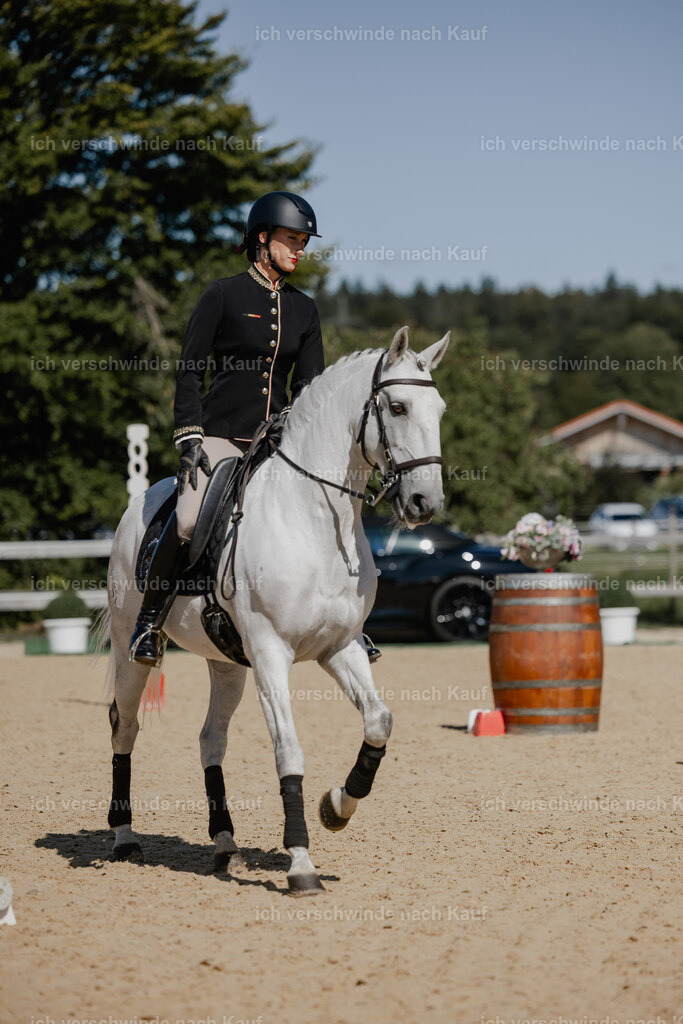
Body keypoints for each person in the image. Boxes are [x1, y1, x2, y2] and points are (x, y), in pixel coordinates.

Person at [129, 191, 325, 665]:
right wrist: (189, 434)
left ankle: (346, 626)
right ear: (263, 238)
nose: (299, 249)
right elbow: (190, 369)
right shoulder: (222, 294)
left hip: (277, 445)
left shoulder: (305, 309)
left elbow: (313, 387)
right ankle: (149, 625)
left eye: (304, 242)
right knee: (191, 519)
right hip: (220, 436)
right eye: (291, 239)